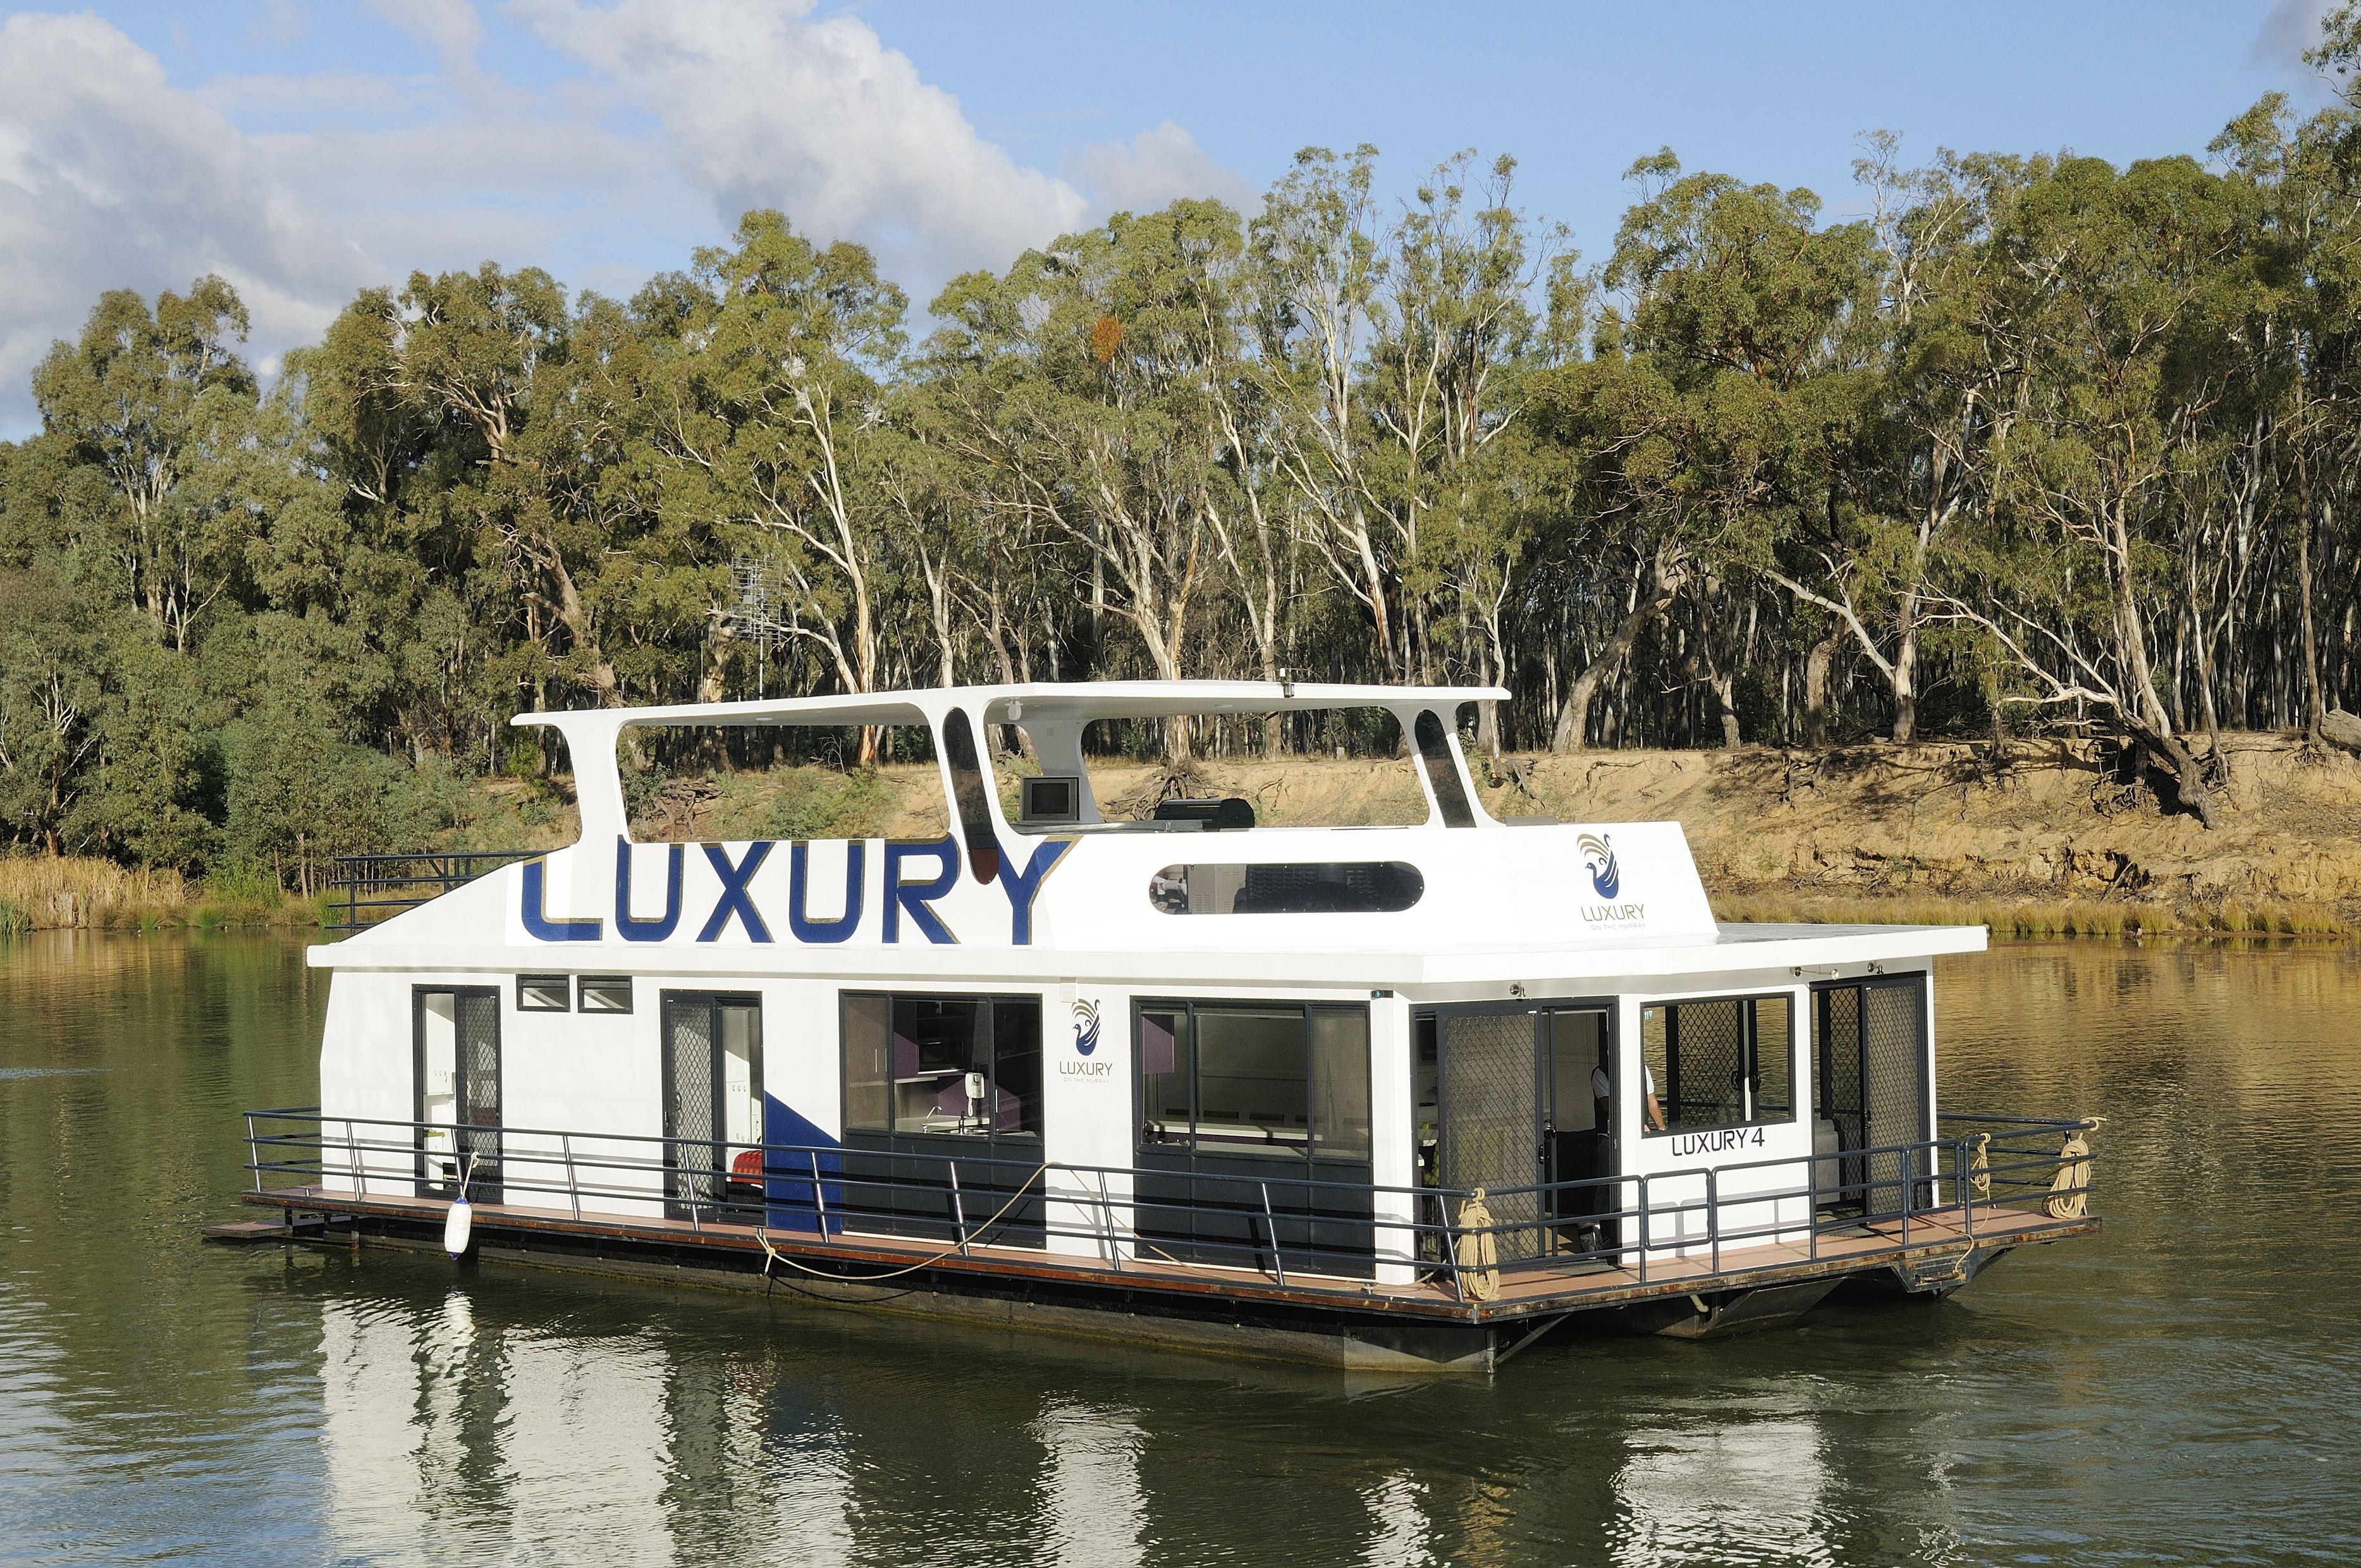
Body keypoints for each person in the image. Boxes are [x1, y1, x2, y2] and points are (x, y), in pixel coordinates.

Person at [1592, 1061, 1666, 1134]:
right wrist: (1636, 1125)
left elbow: (1651, 1102)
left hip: (1641, 1132)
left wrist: (1662, 1129)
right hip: (1609, 1136)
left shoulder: (1642, 1069)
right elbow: (1609, 1107)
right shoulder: (1601, 1072)